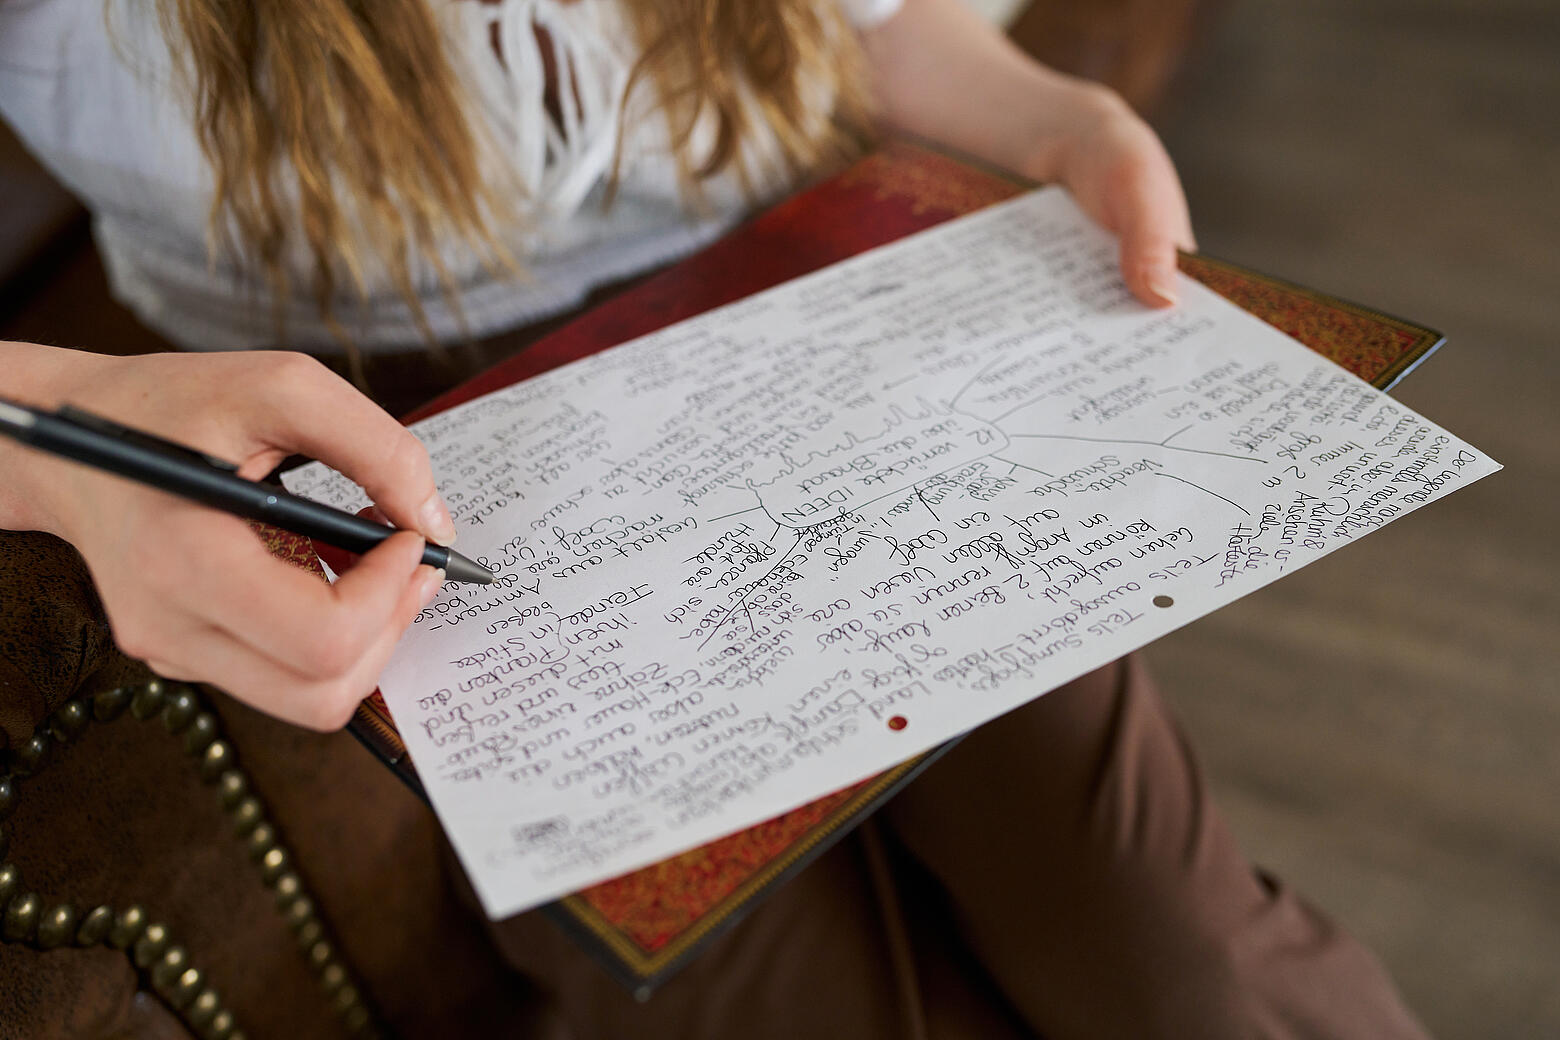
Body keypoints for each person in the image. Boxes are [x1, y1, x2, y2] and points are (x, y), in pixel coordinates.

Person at [0, 1, 1429, 1036]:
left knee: (1176, 953)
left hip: (805, 320)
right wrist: (65, 444)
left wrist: (1055, 115)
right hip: (370, 427)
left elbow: (862, 28)